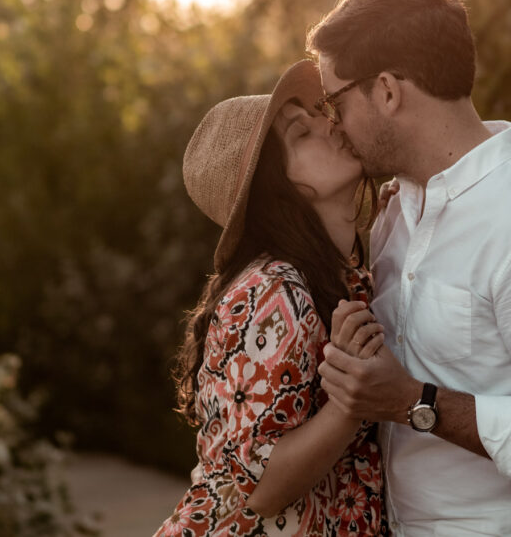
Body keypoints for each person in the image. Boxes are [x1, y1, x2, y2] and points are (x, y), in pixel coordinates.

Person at [312, 0, 511, 536]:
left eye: (335, 101)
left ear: (386, 90)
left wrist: (414, 402)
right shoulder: (395, 212)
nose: (334, 124)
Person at [155, 60, 388, 536]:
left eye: (316, 113)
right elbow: (261, 487)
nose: (329, 121)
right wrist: (352, 401)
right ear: (280, 189)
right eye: (302, 133)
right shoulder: (273, 292)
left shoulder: (346, 279)